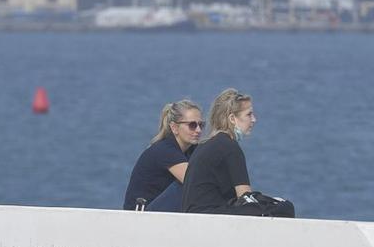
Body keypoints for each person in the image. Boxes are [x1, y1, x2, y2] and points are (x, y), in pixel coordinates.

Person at [181, 88, 295, 217]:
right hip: (210, 214)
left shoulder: (205, 145)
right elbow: (245, 196)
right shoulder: (229, 147)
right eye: (249, 114)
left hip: (194, 212)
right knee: (284, 207)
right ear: (232, 118)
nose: (254, 120)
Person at [122, 99, 202, 212]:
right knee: (188, 183)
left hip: (157, 210)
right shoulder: (165, 150)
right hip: (140, 214)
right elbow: (196, 181)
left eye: (201, 125)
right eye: (192, 125)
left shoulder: (191, 150)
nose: (198, 130)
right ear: (174, 127)